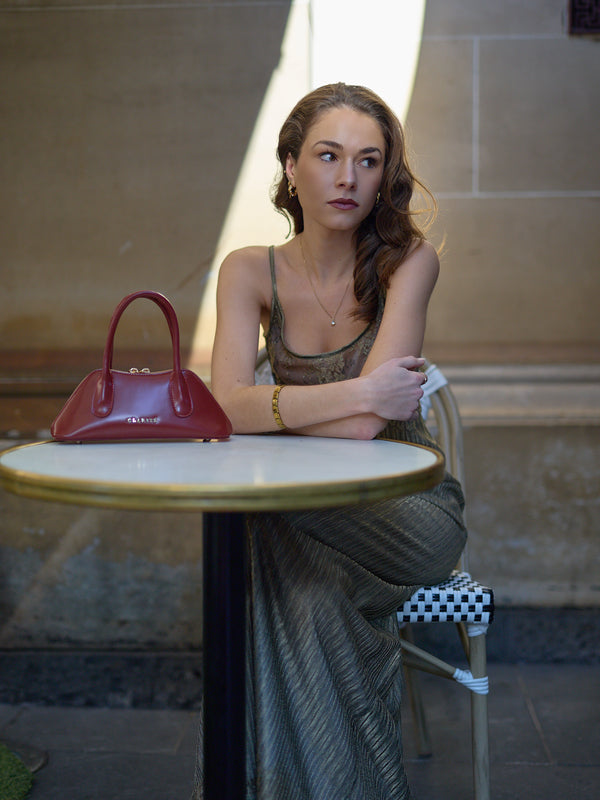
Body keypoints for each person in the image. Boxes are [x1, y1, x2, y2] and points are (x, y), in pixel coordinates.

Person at [194, 82, 467, 800]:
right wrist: (363, 390)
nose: (348, 178)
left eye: (369, 160)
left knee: (252, 513)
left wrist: (280, 408)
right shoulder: (249, 271)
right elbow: (222, 407)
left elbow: (359, 433)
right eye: (327, 155)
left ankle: (254, 783)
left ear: (386, 176)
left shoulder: (409, 264)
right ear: (291, 166)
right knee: (305, 598)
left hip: (406, 515)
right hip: (309, 520)